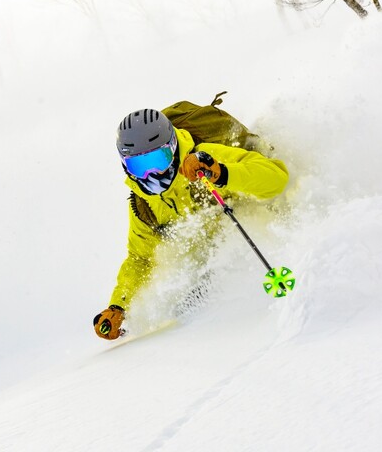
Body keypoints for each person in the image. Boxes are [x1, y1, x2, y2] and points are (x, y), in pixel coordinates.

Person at [93, 108, 289, 340]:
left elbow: (277, 179)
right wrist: (118, 307)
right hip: (214, 262)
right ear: (126, 166)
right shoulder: (144, 203)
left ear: (173, 148)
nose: (151, 174)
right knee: (187, 309)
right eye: (139, 167)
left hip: (268, 234)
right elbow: (140, 258)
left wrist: (222, 173)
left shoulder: (204, 159)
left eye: (158, 160)